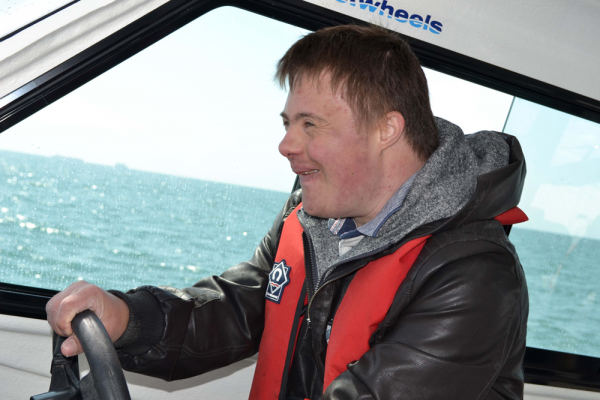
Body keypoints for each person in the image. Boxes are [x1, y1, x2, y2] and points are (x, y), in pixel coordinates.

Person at [46, 25, 529, 399]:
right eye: (287, 122)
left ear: (387, 130)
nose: (286, 145)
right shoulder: (310, 216)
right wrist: (129, 317)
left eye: (310, 124)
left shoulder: (474, 275)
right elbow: (240, 307)